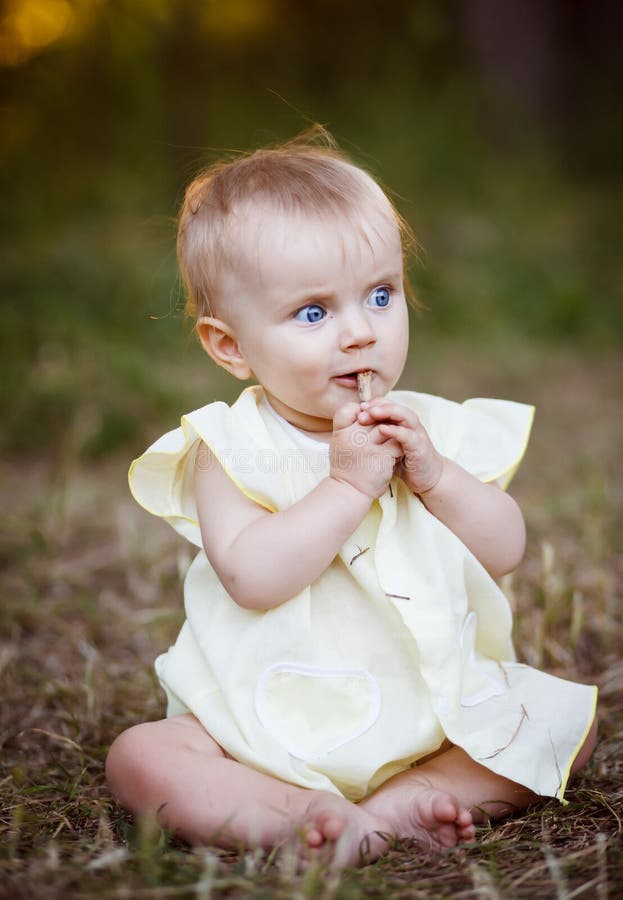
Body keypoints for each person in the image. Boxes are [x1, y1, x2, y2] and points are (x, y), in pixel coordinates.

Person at [106, 134, 597, 868]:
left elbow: (504, 551)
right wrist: (345, 486)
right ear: (229, 346)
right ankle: (294, 814)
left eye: (379, 294)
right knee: (140, 758)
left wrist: (435, 478)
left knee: (564, 725)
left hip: (428, 709)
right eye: (312, 313)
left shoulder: (430, 429)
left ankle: (403, 802)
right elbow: (252, 576)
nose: (361, 331)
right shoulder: (230, 446)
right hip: (253, 720)